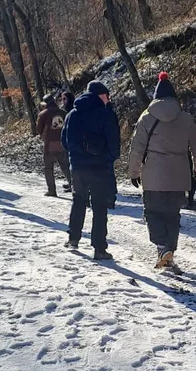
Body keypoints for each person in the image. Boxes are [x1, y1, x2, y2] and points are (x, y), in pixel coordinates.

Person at [128, 72, 196, 269]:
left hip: (153, 177)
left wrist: (134, 172)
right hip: (179, 178)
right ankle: (168, 251)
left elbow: (137, 148)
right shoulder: (186, 118)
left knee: (153, 213)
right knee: (173, 215)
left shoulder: (146, 118)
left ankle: (163, 248)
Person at [61, 81, 120, 260]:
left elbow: (64, 142)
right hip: (99, 169)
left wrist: (76, 157)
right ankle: (99, 248)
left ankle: (73, 238)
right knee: (99, 207)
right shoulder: (105, 114)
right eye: (106, 95)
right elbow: (114, 144)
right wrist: (107, 160)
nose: (108, 99)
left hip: (78, 168)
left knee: (78, 201)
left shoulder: (72, 114)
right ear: (100, 95)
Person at [36, 94, 71, 197]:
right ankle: (73, 186)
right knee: (65, 166)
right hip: (62, 143)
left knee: (48, 168)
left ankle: (52, 190)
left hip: (49, 144)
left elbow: (38, 130)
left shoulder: (43, 114)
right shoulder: (63, 112)